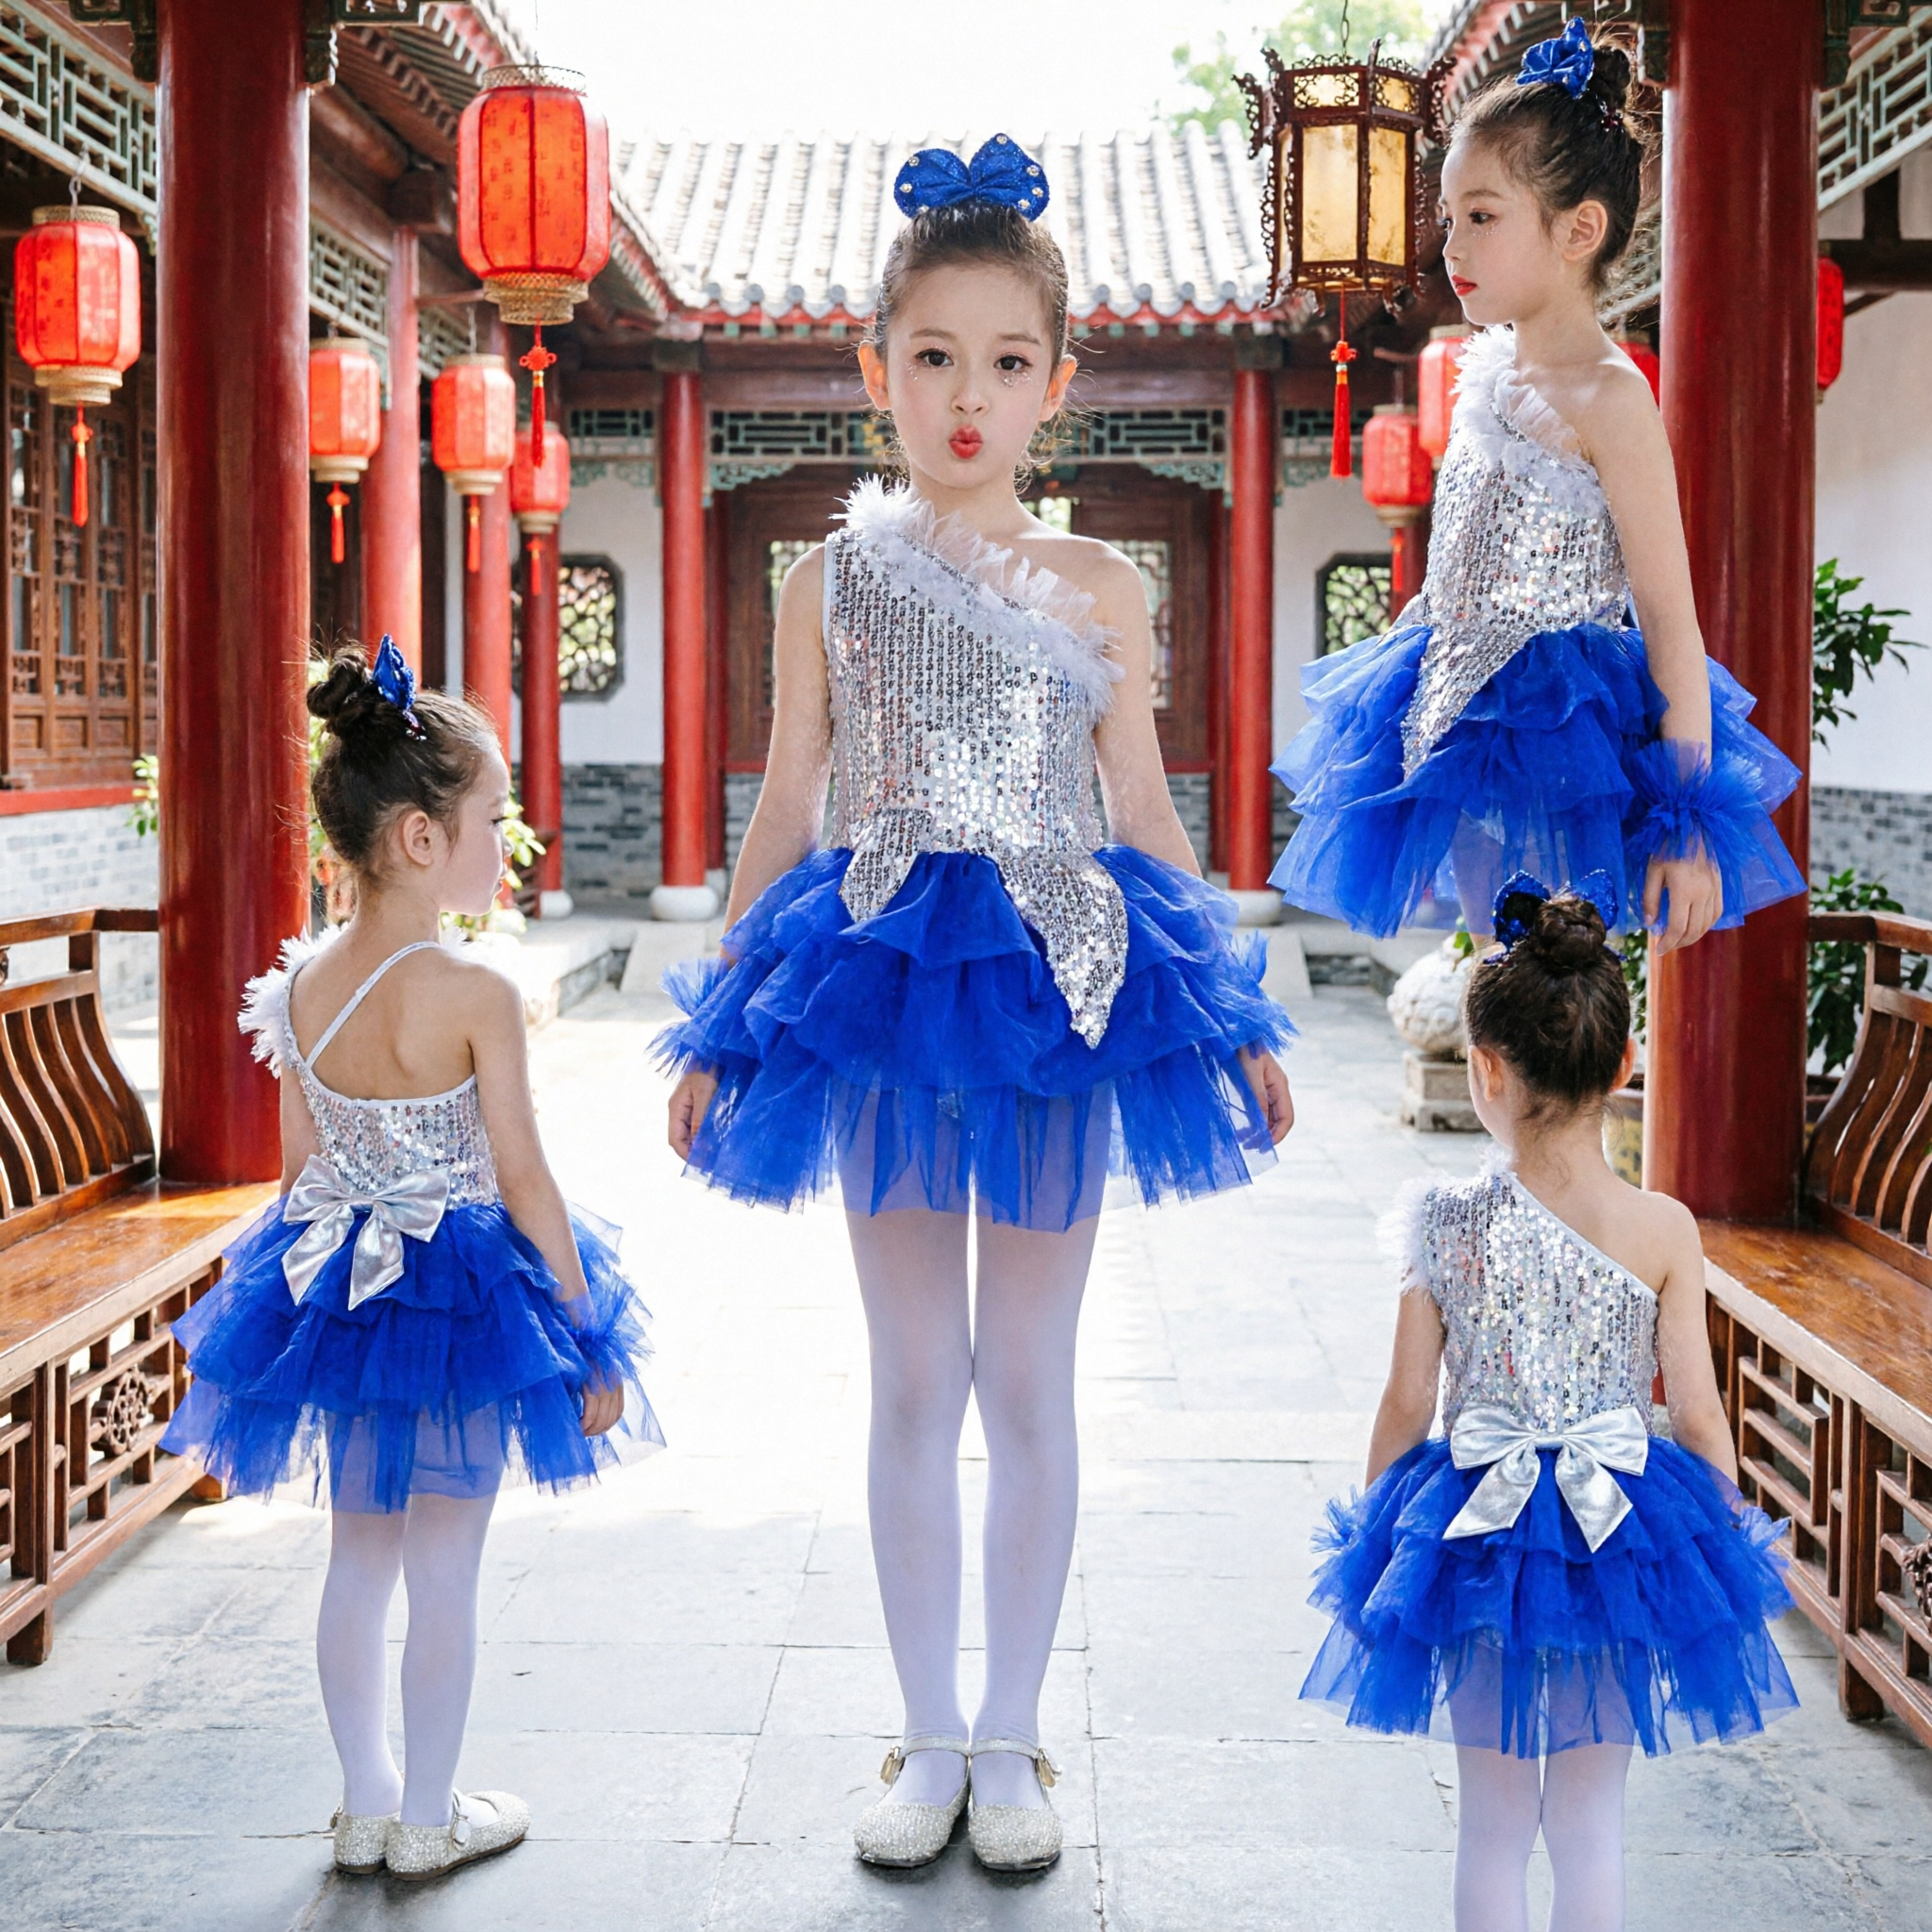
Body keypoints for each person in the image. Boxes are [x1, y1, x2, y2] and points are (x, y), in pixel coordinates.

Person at [658, 136, 1295, 1874]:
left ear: (1055, 384)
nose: (966, 396)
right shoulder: (825, 583)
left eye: (1006, 361)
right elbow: (788, 802)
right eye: (931, 355)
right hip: (874, 977)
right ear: (873, 366)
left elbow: (1141, 811)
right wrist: (721, 1019)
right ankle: (925, 1736)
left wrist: (1236, 1012)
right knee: (907, 1383)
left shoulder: (1102, 588)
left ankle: (1011, 1738)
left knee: (1025, 1375)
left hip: (1053, 987)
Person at [162, 638, 661, 1883]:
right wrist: (584, 1330)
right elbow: (524, 1179)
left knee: (358, 1555)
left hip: (341, 1292)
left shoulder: (298, 990)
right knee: (446, 1564)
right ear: (419, 837)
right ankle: (431, 1814)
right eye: (494, 817)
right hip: (464, 1299)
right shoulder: (474, 991)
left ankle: (366, 1804)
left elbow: (300, 1182)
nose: (509, 840)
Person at [1300, 874, 1795, 1932]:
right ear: (1624, 1063)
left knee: (1489, 1826)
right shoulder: (1665, 1228)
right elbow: (1698, 1415)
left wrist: (1380, 1523)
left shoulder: (1440, 1218)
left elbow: (1407, 1399)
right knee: (1589, 1825)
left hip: (1472, 1535)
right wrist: (1716, 1543)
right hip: (1620, 1535)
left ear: (1483, 1067)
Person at [1271, 19, 1804, 947]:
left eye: (1481, 216)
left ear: (1578, 230)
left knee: (1555, 979)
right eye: (1448, 218)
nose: (1451, 246)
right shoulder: (1485, 372)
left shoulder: (1611, 397)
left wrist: (1684, 826)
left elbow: (1669, 620)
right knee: (1494, 972)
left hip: (1562, 727)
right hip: (1458, 703)